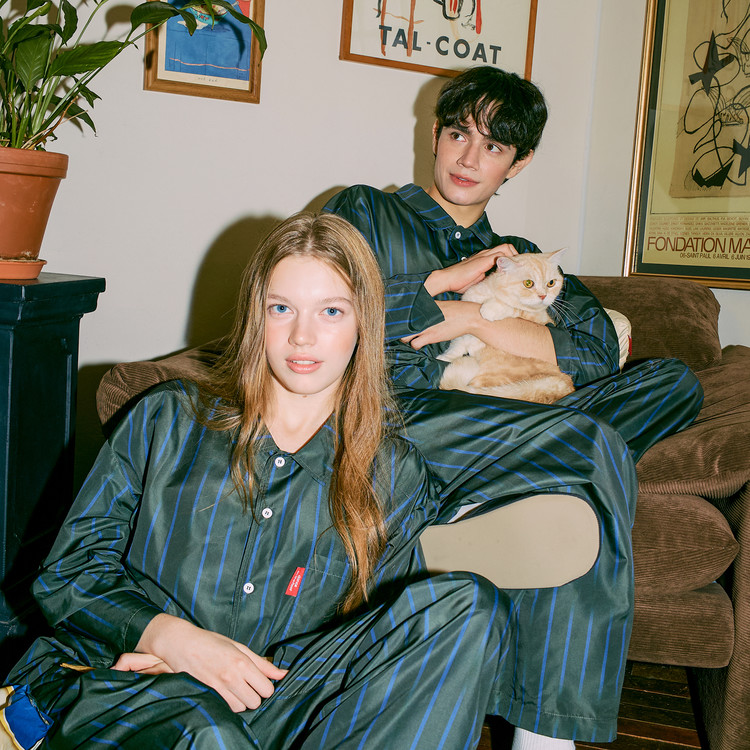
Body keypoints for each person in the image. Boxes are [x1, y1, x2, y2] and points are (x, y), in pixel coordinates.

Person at [3, 213, 512, 749]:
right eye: (281, 308)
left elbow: (366, 643)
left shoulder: (394, 474)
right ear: (256, 316)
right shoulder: (167, 419)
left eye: (331, 311)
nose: (302, 336)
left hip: (271, 705)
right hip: (124, 685)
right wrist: (172, 640)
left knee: (470, 606)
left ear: (364, 322)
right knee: (201, 721)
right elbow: (69, 571)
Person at [324, 66, 704, 749]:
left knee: (673, 382)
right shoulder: (367, 212)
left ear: (518, 163)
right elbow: (323, 307)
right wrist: (438, 288)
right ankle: (544, 738)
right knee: (587, 456)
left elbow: (594, 350)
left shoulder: (523, 258)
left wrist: (475, 318)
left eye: (494, 146)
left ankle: (491, 488)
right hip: (411, 415)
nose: (470, 157)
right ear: (434, 136)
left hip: (517, 415)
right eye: (459, 135)